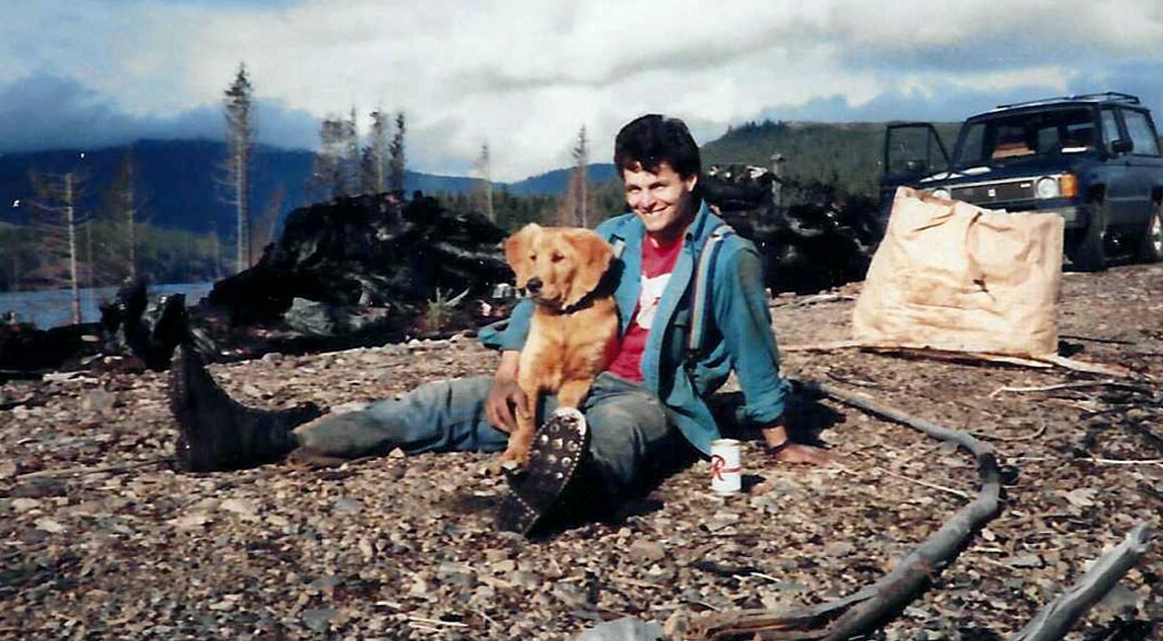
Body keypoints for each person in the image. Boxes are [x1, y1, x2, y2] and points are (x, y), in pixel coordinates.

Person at [169, 113, 832, 532]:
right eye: (634, 187)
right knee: (432, 404)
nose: (646, 200)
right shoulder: (609, 237)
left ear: (688, 179)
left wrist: (776, 438)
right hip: (566, 368)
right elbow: (536, 299)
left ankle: (557, 490)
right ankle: (259, 439)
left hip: (653, 396)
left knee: (614, 436)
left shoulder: (726, 255)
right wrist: (506, 373)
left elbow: (753, 346)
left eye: (658, 185)